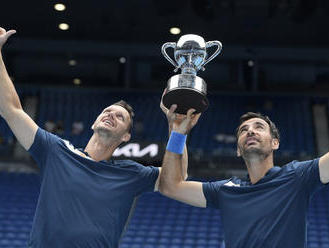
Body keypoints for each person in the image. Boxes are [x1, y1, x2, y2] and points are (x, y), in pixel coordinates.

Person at [0, 28, 189, 248]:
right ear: (93, 123)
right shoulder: (57, 151)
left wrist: (176, 129)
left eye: (120, 117)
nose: (111, 115)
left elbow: (178, 176)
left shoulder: (131, 173)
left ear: (126, 136)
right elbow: (11, 110)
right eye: (107, 112)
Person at [159, 105, 329, 248]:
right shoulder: (226, 190)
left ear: (275, 143)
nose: (250, 132)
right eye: (244, 130)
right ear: (238, 150)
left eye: (259, 127)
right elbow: (170, 186)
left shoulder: (296, 176)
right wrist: (177, 133)